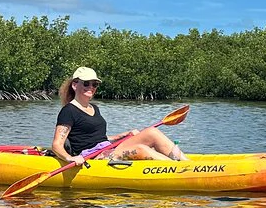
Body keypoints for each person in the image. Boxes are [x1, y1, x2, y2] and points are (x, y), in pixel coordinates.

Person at [51, 66, 188, 165]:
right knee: (140, 149)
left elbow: (100, 138)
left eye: (95, 84)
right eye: (86, 83)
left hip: (106, 148)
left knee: (152, 132)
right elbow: (57, 145)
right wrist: (70, 158)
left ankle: (188, 164)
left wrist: (124, 135)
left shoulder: (94, 108)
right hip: (93, 157)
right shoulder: (68, 111)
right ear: (75, 85)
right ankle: (177, 169)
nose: (91, 87)